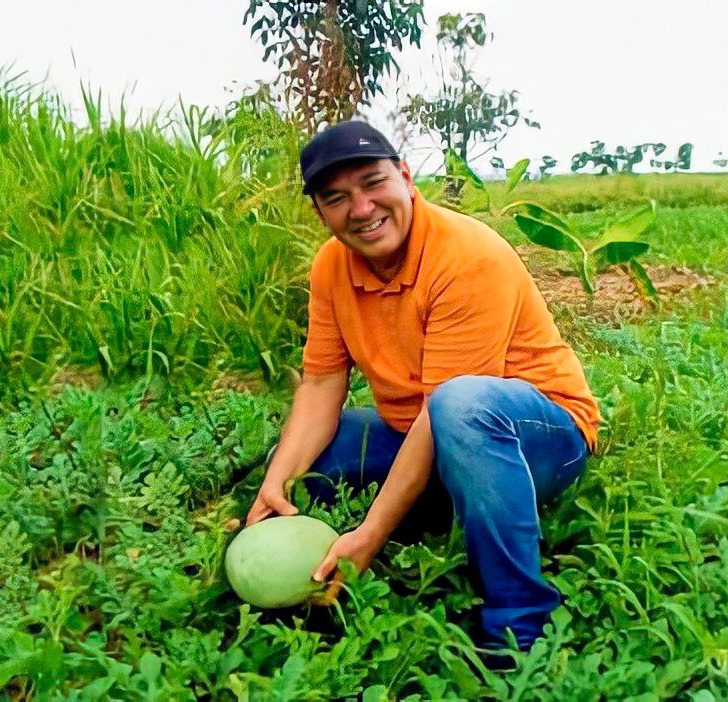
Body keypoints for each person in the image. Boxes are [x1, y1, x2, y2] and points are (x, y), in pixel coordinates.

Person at [244, 120, 600, 654]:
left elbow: (444, 409)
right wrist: (277, 484)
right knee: (304, 460)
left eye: (373, 183)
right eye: (336, 197)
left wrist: (369, 535)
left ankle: (519, 627)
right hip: (426, 431)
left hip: (540, 436)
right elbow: (320, 383)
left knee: (461, 405)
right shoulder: (330, 267)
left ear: (406, 178)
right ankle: (428, 508)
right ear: (320, 213)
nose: (361, 208)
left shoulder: (466, 257)